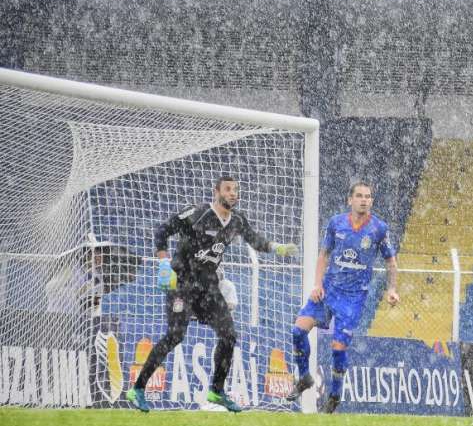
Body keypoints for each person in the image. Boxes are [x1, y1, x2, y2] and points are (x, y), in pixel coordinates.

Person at [126, 175, 298, 413]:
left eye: (236, 190)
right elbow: (162, 231)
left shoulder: (236, 221)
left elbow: (254, 239)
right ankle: (138, 388)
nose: (233, 194)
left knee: (229, 335)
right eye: (228, 189)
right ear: (216, 191)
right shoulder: (197, 213)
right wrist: (164, 264)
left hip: (207, 286)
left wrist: (275, 247)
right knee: (175, 336)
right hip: (182, 284)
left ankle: (216, 391)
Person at [286, 181, 399, 413]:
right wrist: (317, 284)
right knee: (298, 331)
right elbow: (324, 254)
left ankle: (335, 395)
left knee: (338, 348)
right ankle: (305, 377)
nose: (364, 200)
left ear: (372, 201)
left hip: (353, 297)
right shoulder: (336, 223)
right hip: (328, 290)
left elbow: (390, 261)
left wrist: (392, 289)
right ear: (350, 200)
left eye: (368, 196)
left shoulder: (379, 229)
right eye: (359, 196)